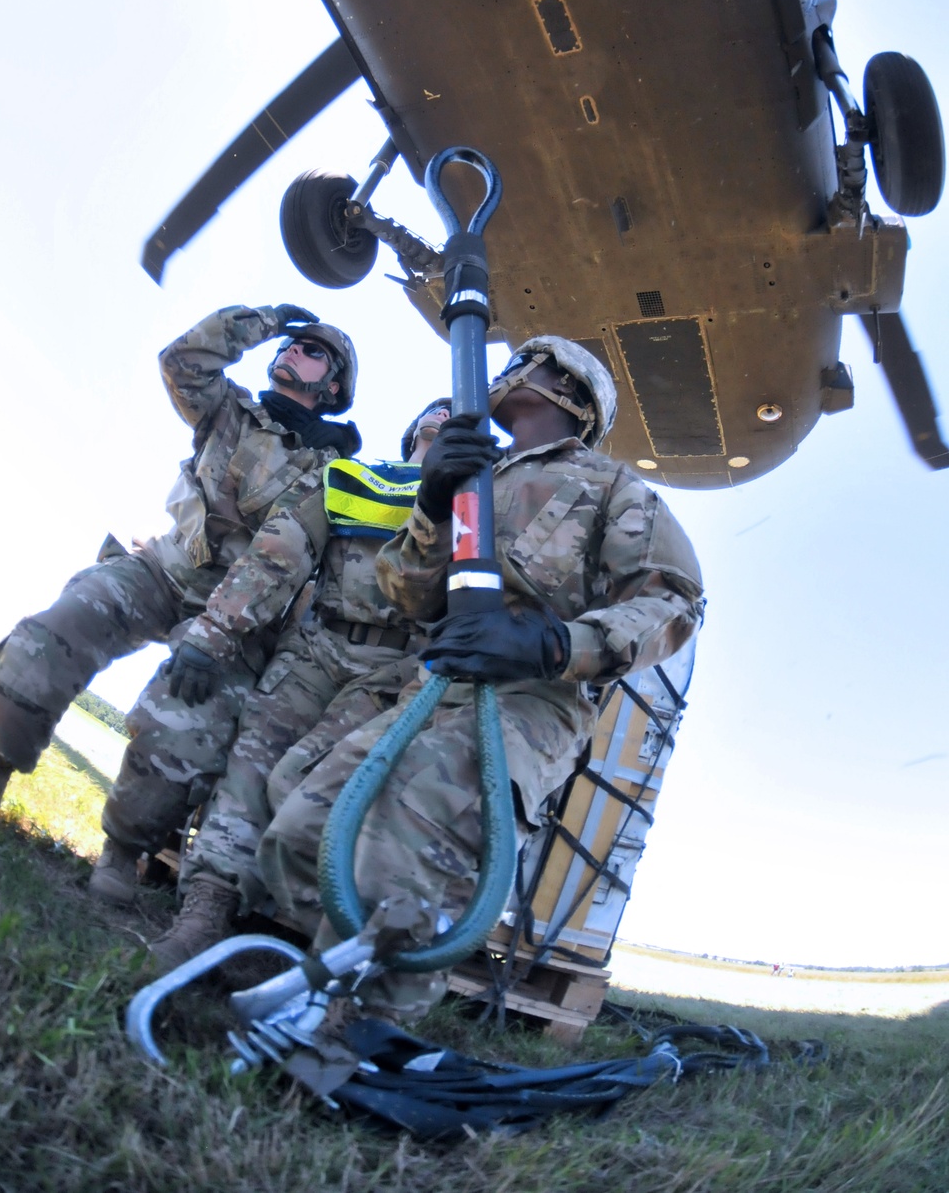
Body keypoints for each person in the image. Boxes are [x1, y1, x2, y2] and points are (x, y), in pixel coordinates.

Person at [258, 336, 704, 1027]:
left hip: (530, 698)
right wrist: (434, 502)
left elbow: (674, 602)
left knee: (409, 838)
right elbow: (408, 596)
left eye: (530, 360)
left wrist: (556, 641)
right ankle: (332, 982)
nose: (506, 370)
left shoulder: (614, 488)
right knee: (301, 828)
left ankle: (356, 1036)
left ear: (568, 387)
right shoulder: (475, 473)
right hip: (438, 682)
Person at [0, 305, 359, 825]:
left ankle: (125, 855)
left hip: (237, 619)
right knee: (54, 633)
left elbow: (278, 560)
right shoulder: (230, 410)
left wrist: (214, 637)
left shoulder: (332, 471)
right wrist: (265, 321)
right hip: (164, 570)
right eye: (291, 345)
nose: (293, 350)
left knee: (185, 727)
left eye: (313, 351)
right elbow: (184, 360)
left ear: (334, 386)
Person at [144, 399, 452, 968]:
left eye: (457, 416)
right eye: (436, 411)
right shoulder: (350, 479)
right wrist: (214, 632)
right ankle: (205, 912)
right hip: (314, 650)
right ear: (413, 430)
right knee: (247, 769)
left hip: (398, 671)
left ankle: (297, 940)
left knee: (309, 785)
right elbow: (277, 555)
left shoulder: (483, 505)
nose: (445, 416)